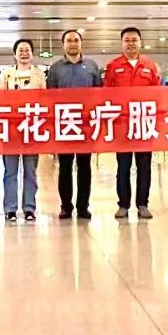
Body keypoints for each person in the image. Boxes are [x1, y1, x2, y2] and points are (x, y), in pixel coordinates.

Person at [104, 27, 162, 219]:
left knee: (144, 166)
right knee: (123, 167)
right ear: (122, 43)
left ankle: (143, 204)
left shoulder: (150, 66)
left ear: (140, 42)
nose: (131, 43)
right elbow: (106, 94)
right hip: (122, 125)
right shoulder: (113, 66)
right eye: (127, 40)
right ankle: (123, 205)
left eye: (134, 40)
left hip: (144, 124)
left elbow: (158, 94)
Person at [47, 29, 102, 220]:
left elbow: (100, 94)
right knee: (65, 167)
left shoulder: (92, 66)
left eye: (76, 40)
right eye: (69, 40)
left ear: (81, 43)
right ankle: (66, 206)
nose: (72, 43)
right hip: (64, 125)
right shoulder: (55, 69)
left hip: (86, 126)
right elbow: (50, 96)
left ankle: (83, 207)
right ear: (63, 45)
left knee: (85, 167)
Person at [0, 39, 47, 223]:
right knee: (10, 172)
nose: (24, 53)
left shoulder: (39, 75)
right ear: (15, 54)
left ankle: (29, 208)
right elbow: (0, 99)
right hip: (11, 129)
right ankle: (10, 209)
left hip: (32, 128)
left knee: (30, 171)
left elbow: (45, 99)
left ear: (32, 53)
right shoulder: (6, 74)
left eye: (27, 50)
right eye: (20, 50)